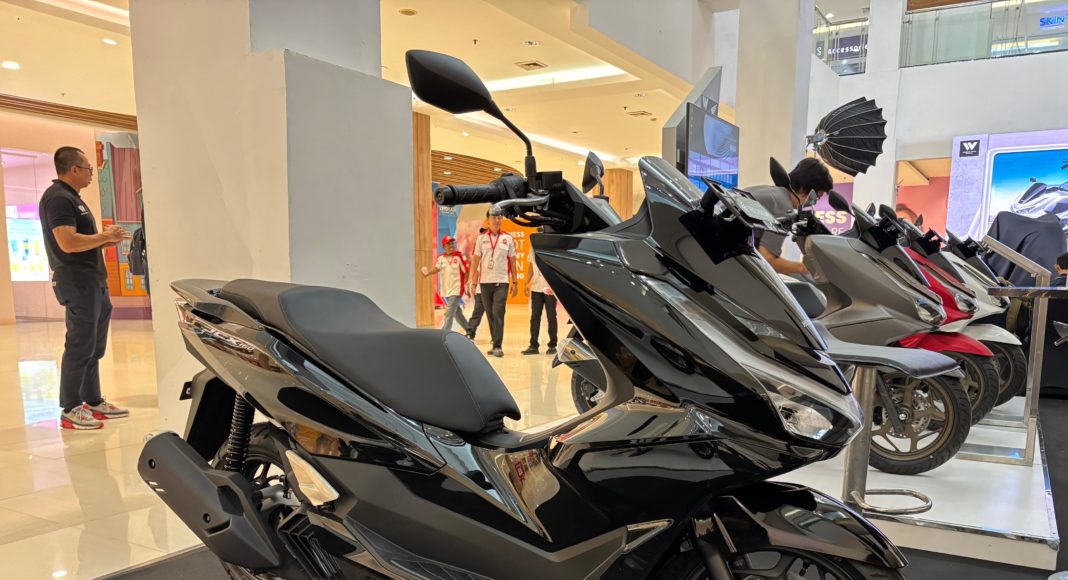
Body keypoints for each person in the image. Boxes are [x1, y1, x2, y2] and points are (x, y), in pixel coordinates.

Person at [39, 146, 132, 430]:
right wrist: (103, 236)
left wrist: (105, 240)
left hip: (93, 281)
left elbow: (80, 243)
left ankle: (92, 400)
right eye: (89, 168)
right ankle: (70, 408)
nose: (92, 173)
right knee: (80, 345)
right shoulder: (58, 198)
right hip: (77, 282)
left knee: (95, 346)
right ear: (74, 169)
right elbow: (67, 242)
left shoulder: (73, 198)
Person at [747, 157, 834, 275]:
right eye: (816, 197)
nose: (813, 203)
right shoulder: (783, 207)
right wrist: (807, 268)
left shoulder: (770, 193)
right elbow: (768, 261)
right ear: (804, 188)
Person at [469, 210, 517, 357]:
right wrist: (472, 280)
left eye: (499, 217)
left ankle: (497, 346)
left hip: (501, 282)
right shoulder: (481, 239)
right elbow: (476, 260)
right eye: (494, 217)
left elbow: (513, 261)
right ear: (488, 220)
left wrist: (515, 282)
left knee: (498, 312)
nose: (497, 220)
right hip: (484, 283)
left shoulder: (508, 238)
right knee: (490, 314)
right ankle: (495, 342)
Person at [421, 236, 471, 333]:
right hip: (446, 290)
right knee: (457, 313)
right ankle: (469, 330)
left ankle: (444, 333)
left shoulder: (459, 256)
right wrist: (428, 273)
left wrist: (466, 284)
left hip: (457, 289)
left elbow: (467, 271)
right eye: (448, 244)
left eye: (452, 243)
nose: (451, 245)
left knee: (449, 313)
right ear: (443, 246)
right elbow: (437, 268)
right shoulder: (441, 258)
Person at [522, 245, 558, 355]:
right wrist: (526, 282)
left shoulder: (552, 247)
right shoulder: (533, 247)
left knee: (551, 317)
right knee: (535, 317)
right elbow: (531, 266)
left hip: (549, 288)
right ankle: (533, 346)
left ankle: (552, 345)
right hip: (536, 288)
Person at [465, 227, 488, 340]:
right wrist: (474, 285)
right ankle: (470, 333)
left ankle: (496, 338)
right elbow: (476, 271)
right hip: (481, 289)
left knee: (494, 314)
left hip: (494, 287)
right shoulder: (478, 255)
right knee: (477, 312)